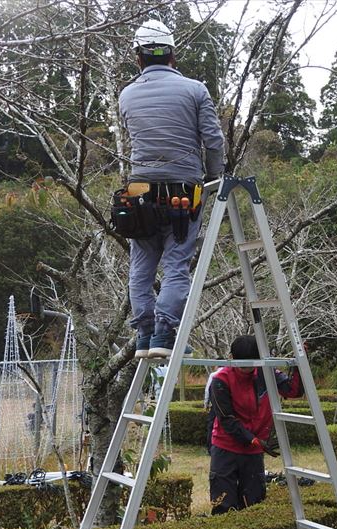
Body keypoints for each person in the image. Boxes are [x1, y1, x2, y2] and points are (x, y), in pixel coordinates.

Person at [119, 19, 225, 360]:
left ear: (138, 58)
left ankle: (144, 335)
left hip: (139, 190)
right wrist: (214, 178)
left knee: (141, 264)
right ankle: (165, 331)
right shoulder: (195, 90)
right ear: (172, 56)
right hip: (184, 189)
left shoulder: (127, 94)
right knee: (176, 264)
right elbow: (213, 141)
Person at [209, 335, 304, 514]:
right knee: (223, 503)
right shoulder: (221, 379)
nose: (246, 370)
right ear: (232, 358)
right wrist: (253, 440)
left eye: (250, 365)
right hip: (226, 448)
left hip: (253, 451)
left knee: (253, 503)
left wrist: (300, 362)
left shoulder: (266, 374)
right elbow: (226, 419)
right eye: (243, 366)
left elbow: (293, 390)